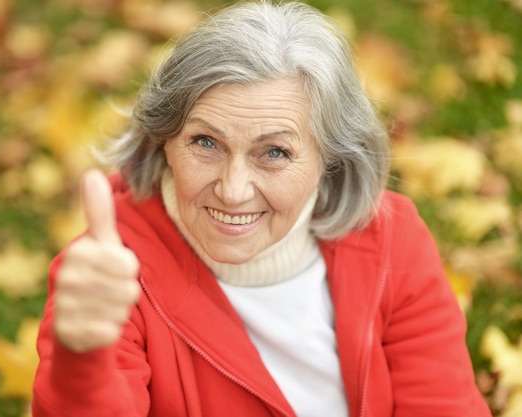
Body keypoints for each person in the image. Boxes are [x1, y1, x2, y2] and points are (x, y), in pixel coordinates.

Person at [32, 1, 492, 416]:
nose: (233, 191)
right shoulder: (107, 273)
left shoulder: (392, 240)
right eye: (205, 142)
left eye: (273, 152)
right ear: (165, 140)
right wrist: (82, 359)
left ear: (330, 158)